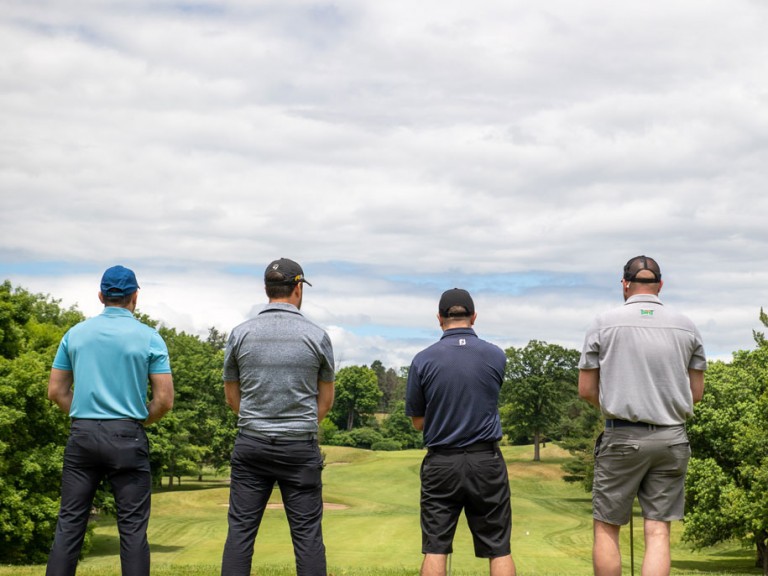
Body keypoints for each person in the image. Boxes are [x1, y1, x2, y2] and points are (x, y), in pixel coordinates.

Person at [578, 255, 707, 576]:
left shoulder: (603, 323)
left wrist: (616, 405)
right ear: (660, 285)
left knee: (607, 527)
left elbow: (586, 390)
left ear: (625, 284)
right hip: (672, 438)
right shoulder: (687, 325)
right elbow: (697, 393)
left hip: (622, 436)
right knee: (658, 530)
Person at [46, 265, 174, 576]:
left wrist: (86, 415)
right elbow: (164, 400)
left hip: (83, 436)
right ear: (135, 297)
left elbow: (56, 391)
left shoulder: (75, 334)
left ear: (101, 296)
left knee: (70, 523)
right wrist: (138, 421)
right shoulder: (150, 338)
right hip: (127, 436)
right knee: (132, 529)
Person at [220, 258, 336, 576]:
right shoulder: (317, 335)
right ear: (298, 288)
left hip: (251, 444)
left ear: (266, 289)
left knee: (240, 536)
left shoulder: (240, 334)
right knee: (308, 538)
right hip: (299, 448)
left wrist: (257, 420)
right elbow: (324, 402)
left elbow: (233, 398)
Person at [406, 288, 516, 576]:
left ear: (439, 319)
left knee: (435, 547)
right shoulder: (496, 355)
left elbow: (418, 422)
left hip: (441, 463)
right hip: (486, 461)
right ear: (474, 317)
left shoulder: (423, 359)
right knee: (499, 548)